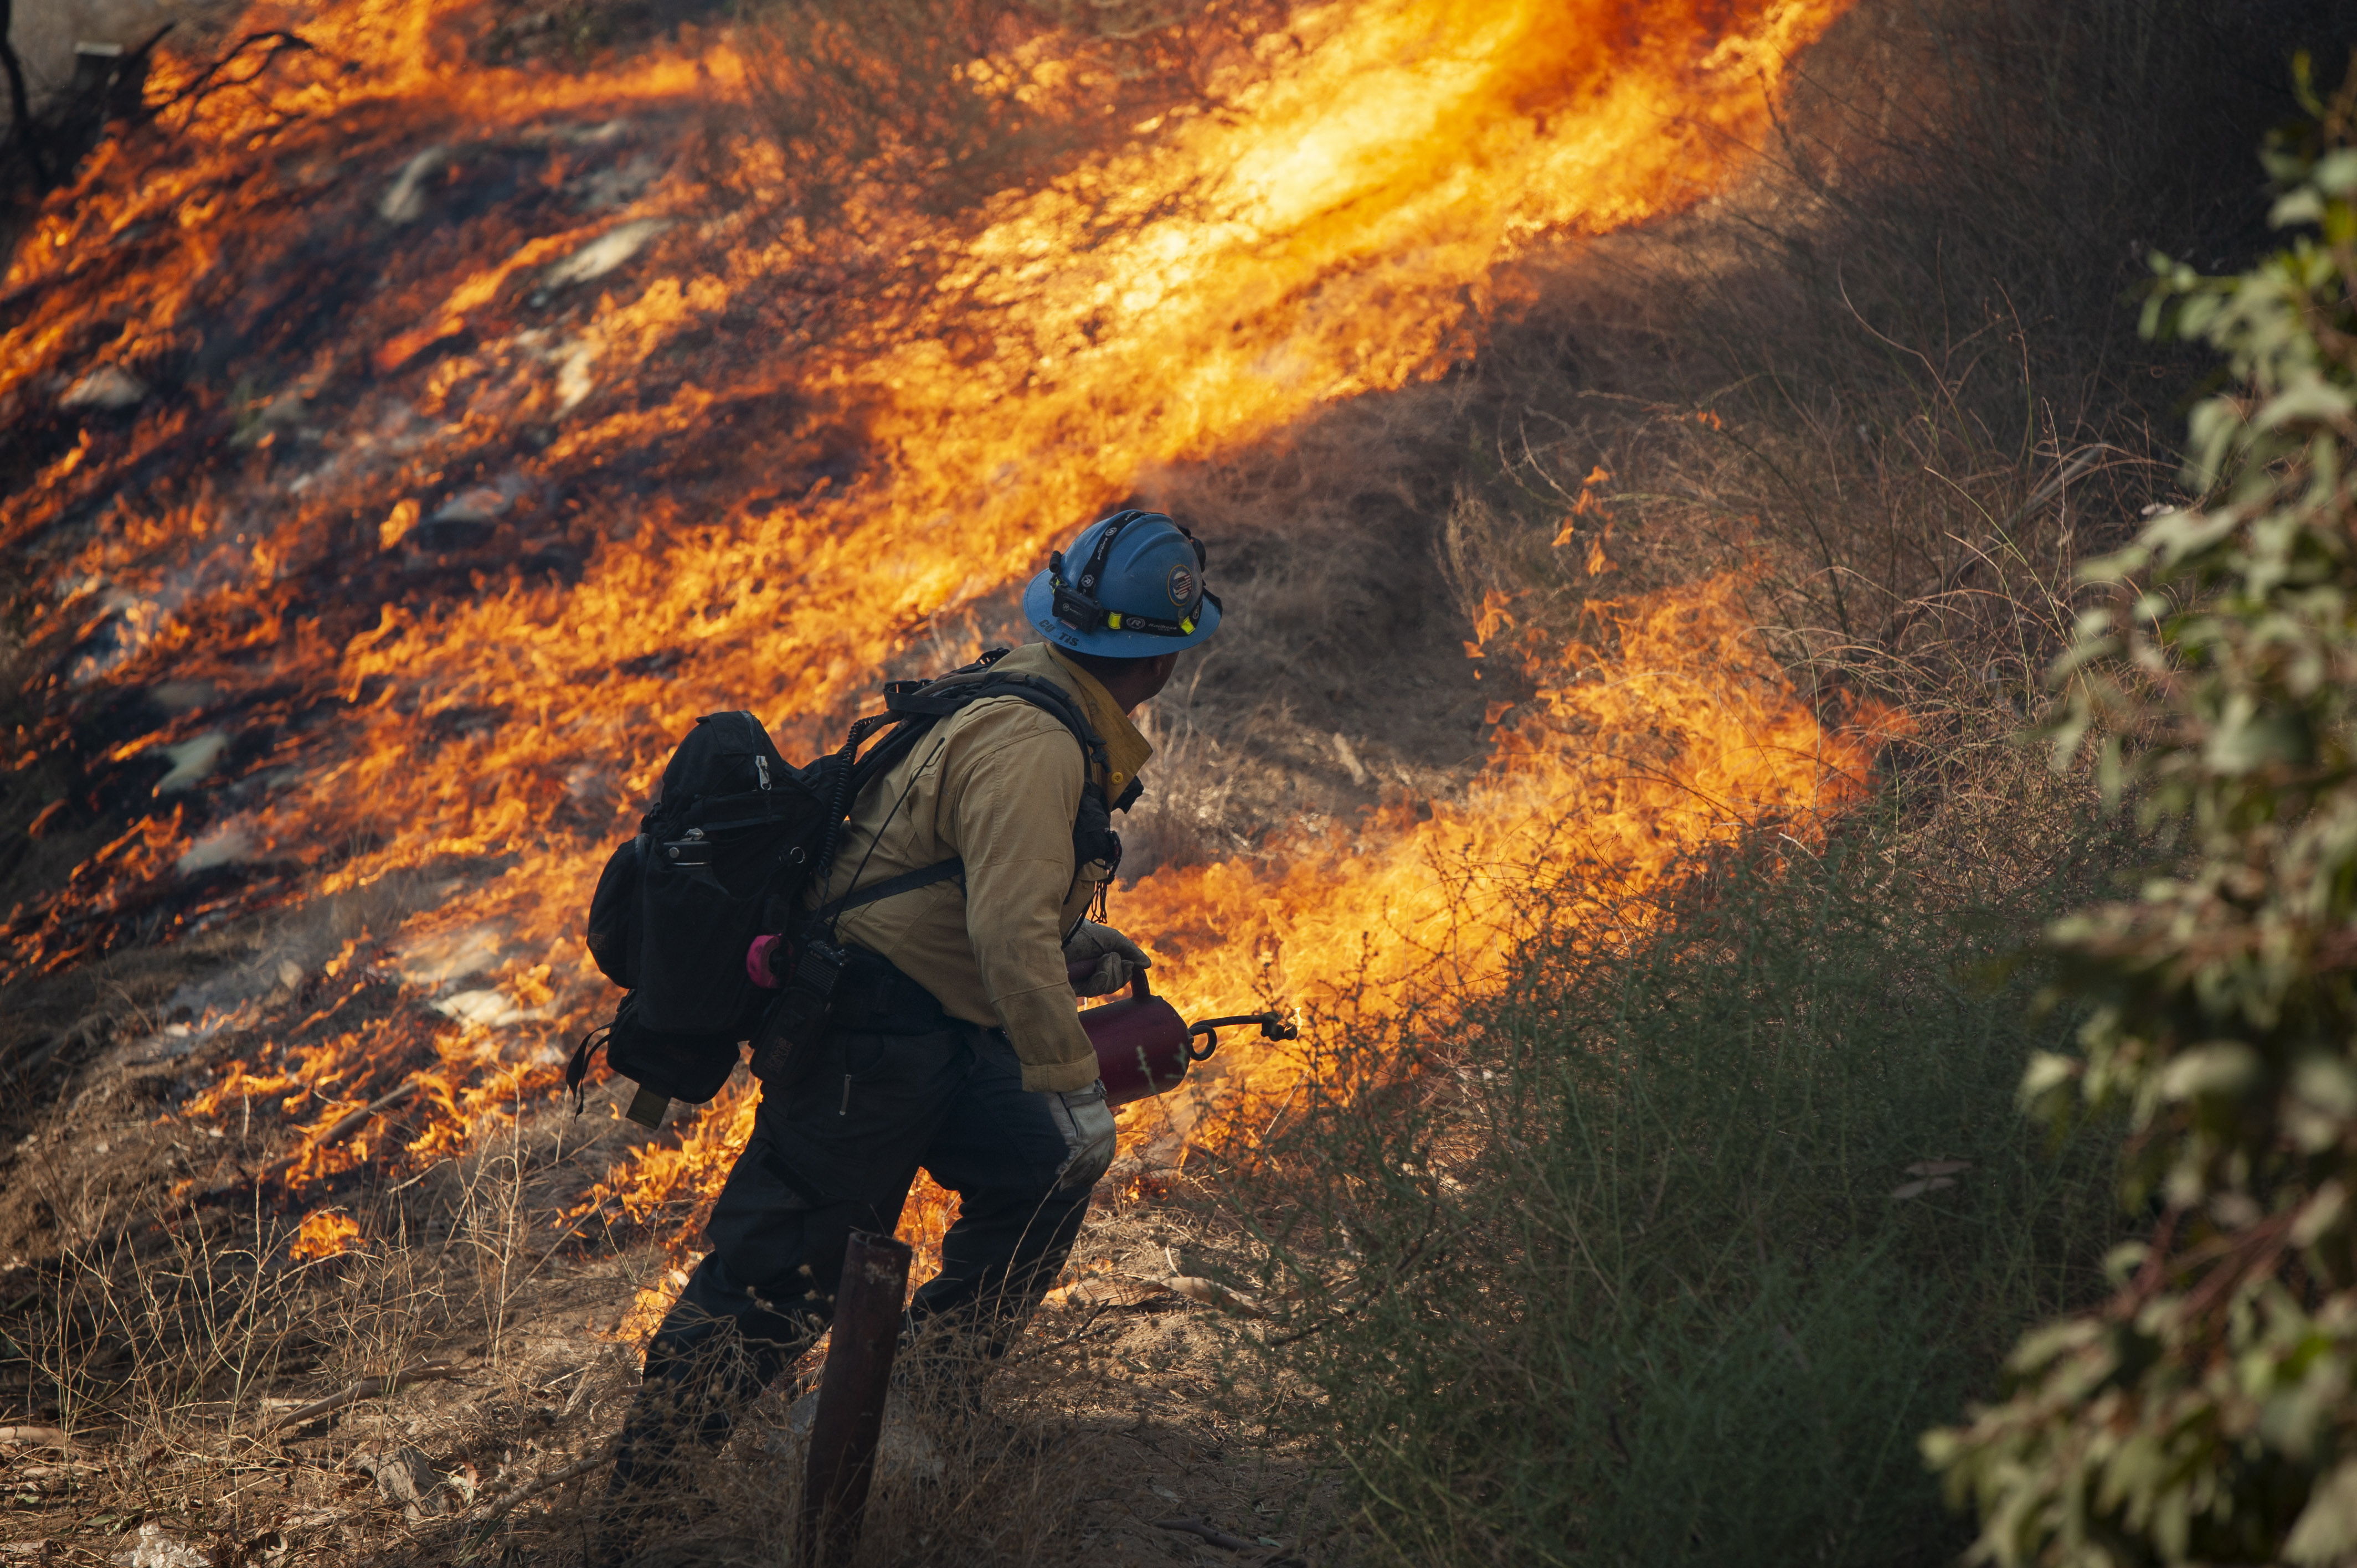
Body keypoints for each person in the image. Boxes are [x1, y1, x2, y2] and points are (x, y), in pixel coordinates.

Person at [598, 509, 1221, 1546]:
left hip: (932, 1025)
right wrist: (1067, 1064)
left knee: (1045, 1163)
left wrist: (1072, 960)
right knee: (779, 1281)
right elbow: (1005, 927)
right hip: (866, 1039)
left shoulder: (1026, 688)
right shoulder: (1035, 744)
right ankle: (638, 1508)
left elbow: (950, 897)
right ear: (1157, 660)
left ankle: (928, 1404)